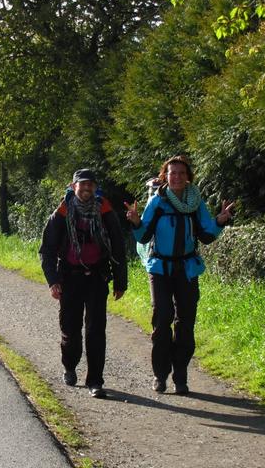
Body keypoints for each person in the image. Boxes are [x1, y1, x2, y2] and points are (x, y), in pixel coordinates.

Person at [125, 155, 234, 395]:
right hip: (161, 269)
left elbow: (206, 235)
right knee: (162, 320)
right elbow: (143, 236)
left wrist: (220, 220)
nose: (176, 177)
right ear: (165, 177)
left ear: (188, 178)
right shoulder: (157, 202)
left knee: (185, 323)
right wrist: (135, 222)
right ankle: (160, 375)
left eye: (181, 173)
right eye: (172, 173)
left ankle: (181, 377)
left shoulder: (196, 202)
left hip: (186, 269)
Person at [39, 169, 127, 398]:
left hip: (97, 277)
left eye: (91, 185)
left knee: (96, 331)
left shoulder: (105, 211)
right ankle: (69, 366)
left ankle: (95, 381)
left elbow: (118, 246)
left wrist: (120, 281)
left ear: (96, 188)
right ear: (73, 186)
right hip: (69, 277)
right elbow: (47, 249)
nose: (87, 189)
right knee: (70, 330)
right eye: (82, 185)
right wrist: (53, 281)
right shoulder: (62, 213)